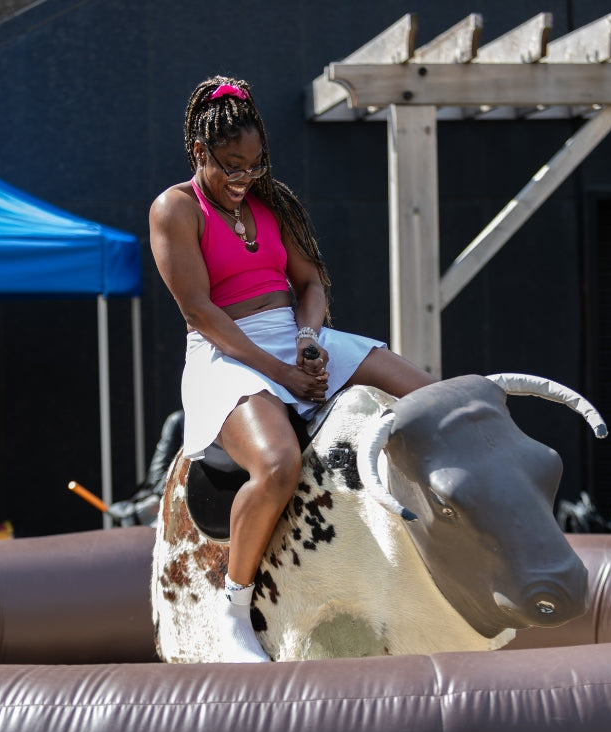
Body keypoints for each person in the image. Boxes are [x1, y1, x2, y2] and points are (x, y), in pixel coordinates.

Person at [149, 74, 435, 663]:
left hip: (292, 333)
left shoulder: (271, 203)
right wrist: (281, 374)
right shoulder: (175, 208)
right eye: (230, 165)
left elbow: (309, 283)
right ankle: (234, 607)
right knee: (278, 463)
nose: (243, 178)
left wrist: (308, 340)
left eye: (253, 164)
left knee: (436, 399)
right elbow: (201, 312)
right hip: (226, 351)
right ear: (199, 151)